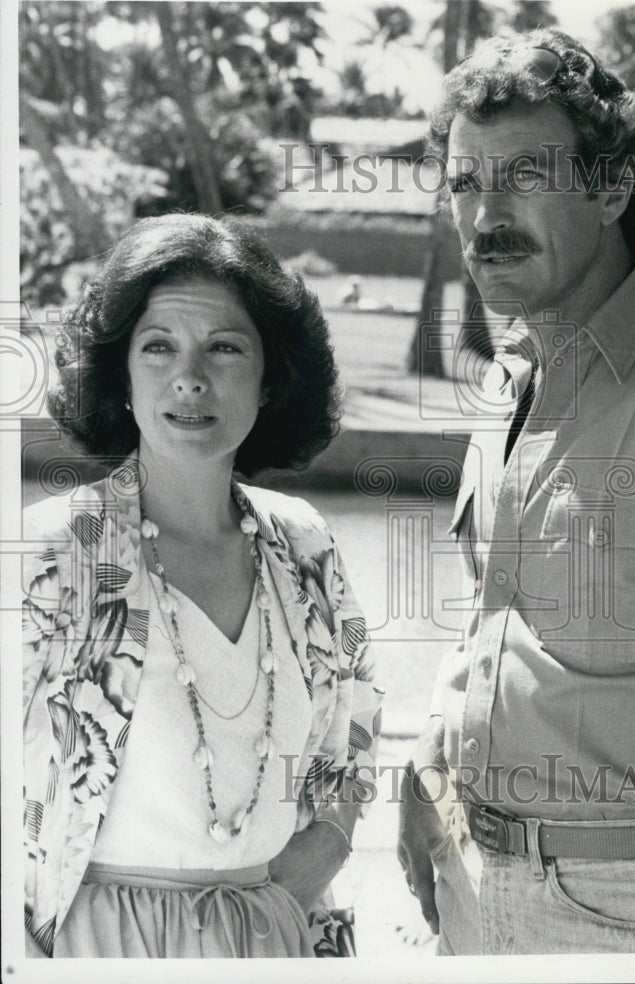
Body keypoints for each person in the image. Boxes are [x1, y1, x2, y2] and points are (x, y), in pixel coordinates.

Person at [398, 29, 635, 955]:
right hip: (469, 888)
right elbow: (493, 615)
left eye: (521, 177)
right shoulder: (512, 379)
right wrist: (431, 758)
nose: (483, 217)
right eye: (465, 185)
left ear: (609, 187)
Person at [23, 214, 383, 958]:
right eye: (158, 346)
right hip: (96, 948)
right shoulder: (52, 552)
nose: (190, 377)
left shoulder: (303, 541)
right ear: (119, 374)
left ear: (269, 378)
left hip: (276, 933)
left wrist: (337, 836)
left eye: (224, 347)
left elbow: (359, 714)